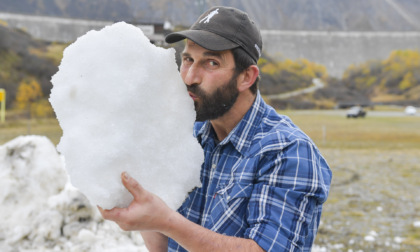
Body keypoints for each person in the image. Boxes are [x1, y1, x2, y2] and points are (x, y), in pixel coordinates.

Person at [99, 6, 332, 252]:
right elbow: (164, 247)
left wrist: (166, 220)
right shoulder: (188, 136)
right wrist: (136, 205)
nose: (189, 77)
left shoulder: (287, 151)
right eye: (188, 59)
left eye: (211, 63)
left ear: (246, 77)